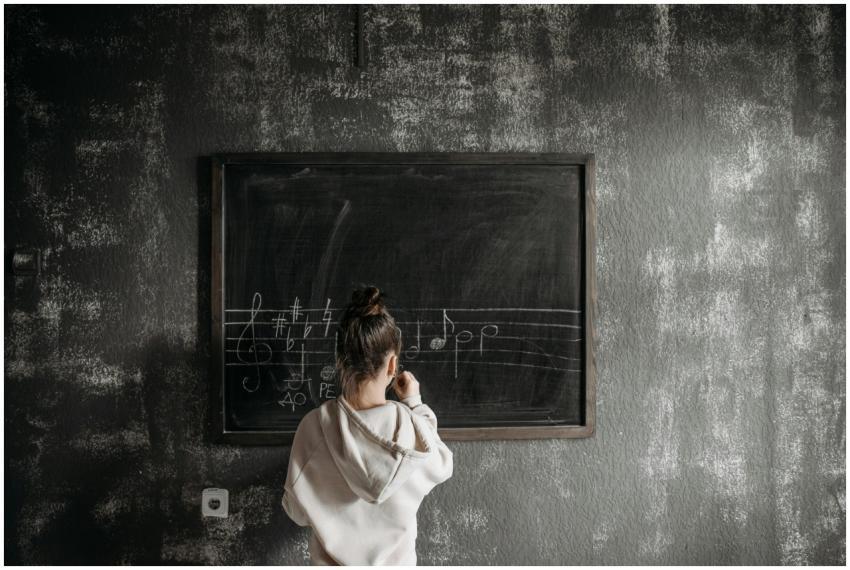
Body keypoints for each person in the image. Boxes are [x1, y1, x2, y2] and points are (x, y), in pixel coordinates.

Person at [281, 286, 454, 565]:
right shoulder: (413, 429)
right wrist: (415, 403)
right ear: (392, 366)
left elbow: (297, 512)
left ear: (340, 361)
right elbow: (443, 464)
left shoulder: (313, 427)